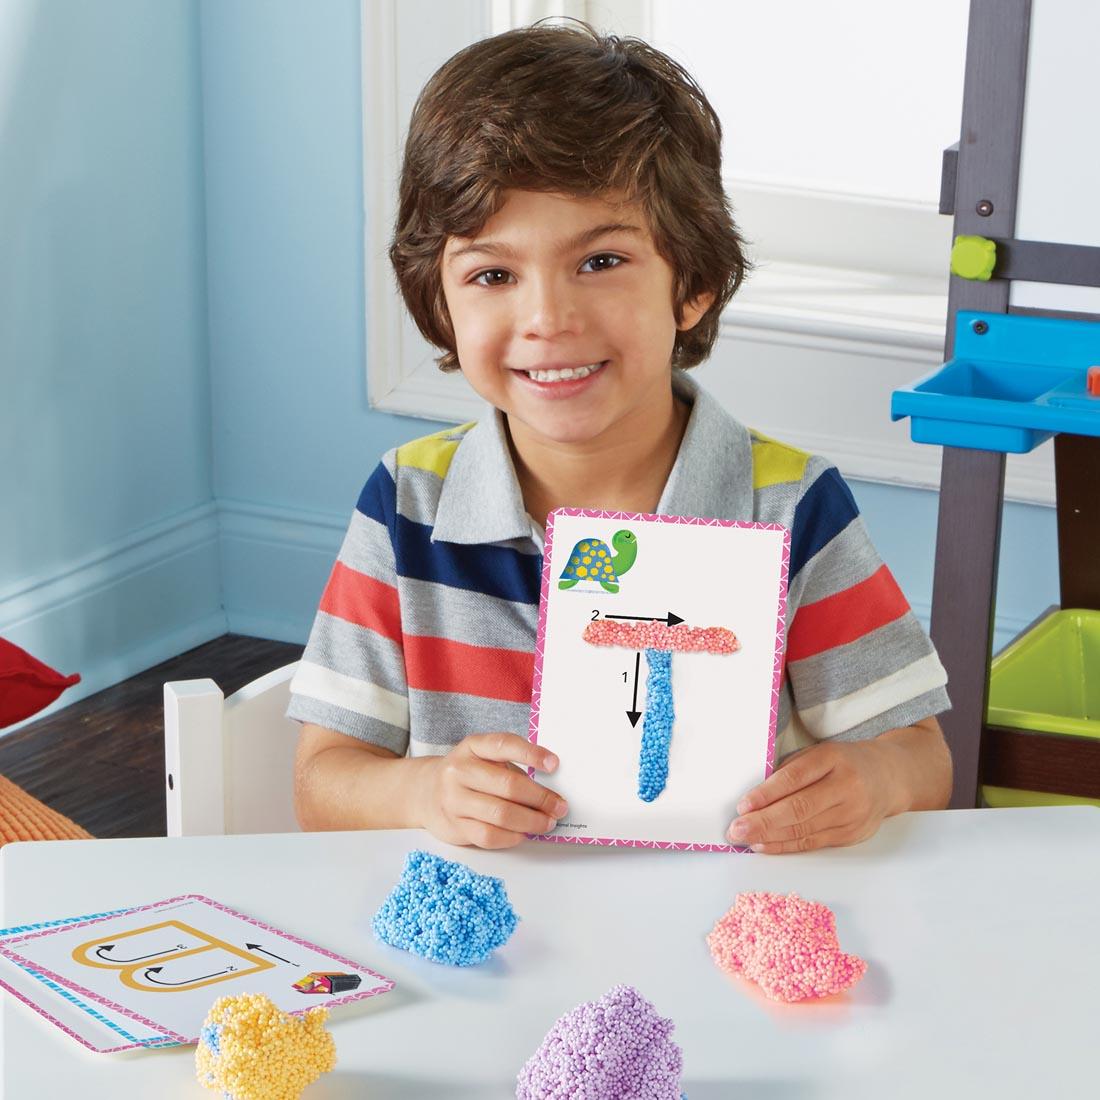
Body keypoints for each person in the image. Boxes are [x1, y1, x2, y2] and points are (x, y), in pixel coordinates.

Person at [289, 21, 952, 853]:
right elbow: (323, 782)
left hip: (729, 937)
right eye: (493, 275)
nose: (548, 320)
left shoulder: (789, 506)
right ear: (440, 305)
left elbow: (920, 758)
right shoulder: (406, 504)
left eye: (600, 262)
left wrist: (875, 782)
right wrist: (424, 790)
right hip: (488, 955)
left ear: (695, 284)